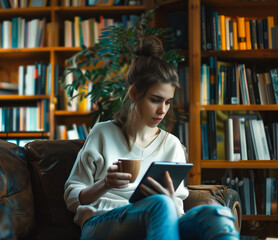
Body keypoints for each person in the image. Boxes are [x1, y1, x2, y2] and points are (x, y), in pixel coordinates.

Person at [64, 35, 239, 240]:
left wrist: (172, 200)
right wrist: (105, 184)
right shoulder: (103, 133)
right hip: (102, 222)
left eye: (168, 102)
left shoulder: (172, 145)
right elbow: (72, 197)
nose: (162, 110)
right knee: (160, 205)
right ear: (134, 93)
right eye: (155, 100)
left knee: (218, 215)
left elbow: (176, 213)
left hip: (157, 217)